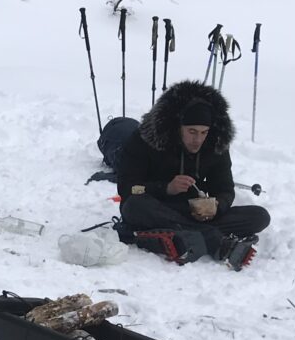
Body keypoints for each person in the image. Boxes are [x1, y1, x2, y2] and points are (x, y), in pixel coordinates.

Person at [116, 80, 271, 270]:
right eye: (191, 132)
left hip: (192, 213)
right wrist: (167, 188)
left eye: (203, 132)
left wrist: (216, 206)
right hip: (156, 208)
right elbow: (126, 188)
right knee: (133, 206)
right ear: (177, 126)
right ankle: (212, 238)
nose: (198, 139)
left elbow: (224, 189)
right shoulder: (144, 139)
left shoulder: (215, 143)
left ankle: (184, 233)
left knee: (259, 216)